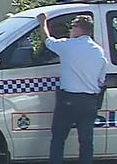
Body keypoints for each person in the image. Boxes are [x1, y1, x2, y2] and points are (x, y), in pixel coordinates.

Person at [37, 13, 107, 164]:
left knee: (59, 138)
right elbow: (101, 80)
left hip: (69, 101)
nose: (70, 30)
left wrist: (42, 22)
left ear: (79, 29)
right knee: (86, 141)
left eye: (72, 27)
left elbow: (47, 41)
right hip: (89, 101)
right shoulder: (99, 51)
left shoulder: (68, 45)